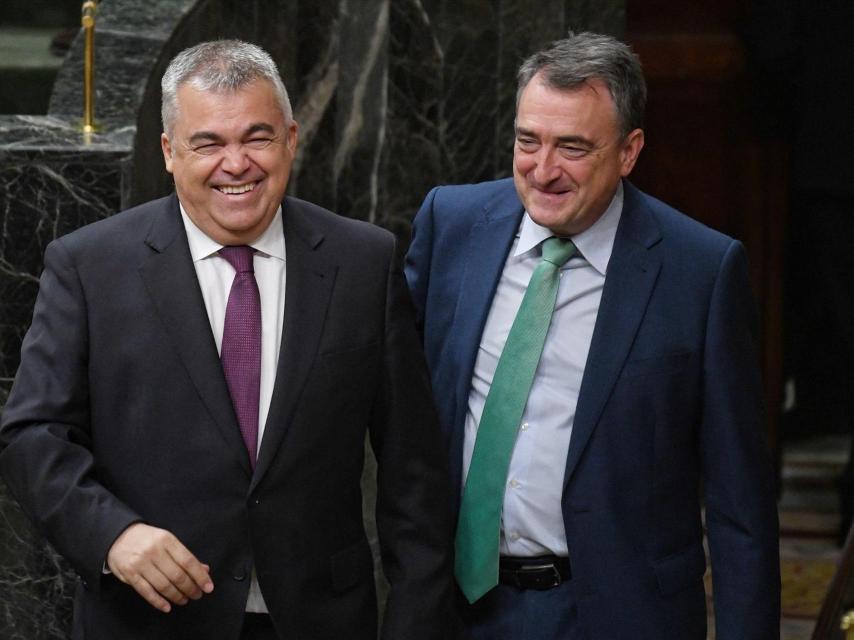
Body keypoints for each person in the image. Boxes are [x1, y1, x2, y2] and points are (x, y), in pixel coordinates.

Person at [0, 40, 452, 640]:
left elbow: (413, 473)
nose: (235, 164)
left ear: (291, 138)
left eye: (257, 138)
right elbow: (33, 434)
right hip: (149, 620)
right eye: (208, 143)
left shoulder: (363, 263)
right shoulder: (89, 267)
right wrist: (113, 534)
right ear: (168, 151)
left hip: (320, 620)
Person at [405, 32, 780, 640]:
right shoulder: (452, 226)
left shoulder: (701, 272)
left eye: (572, 148)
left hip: (619, 615)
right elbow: (387, 398)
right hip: (453, 609)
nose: (543, 170)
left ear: (629, 151)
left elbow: (741, 506)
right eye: (528, 141)